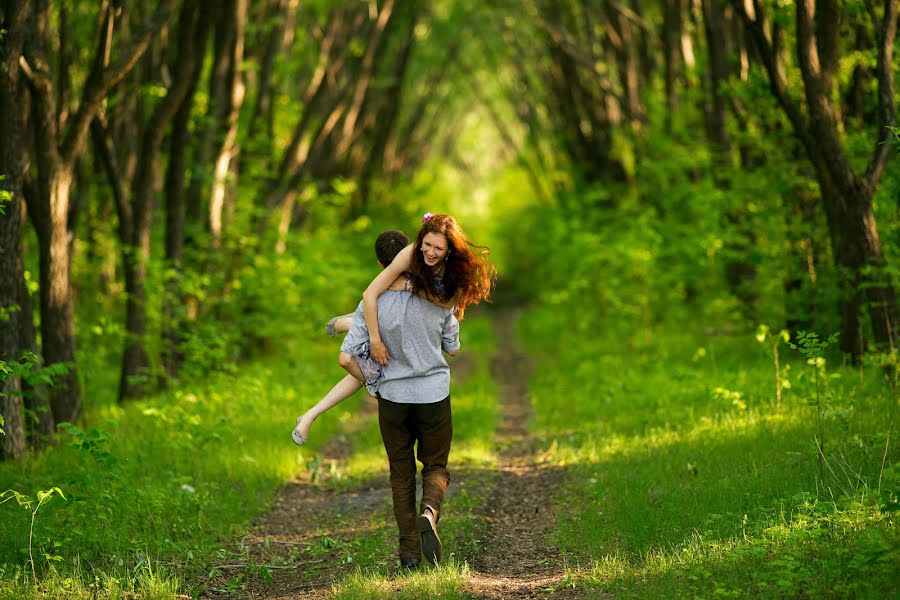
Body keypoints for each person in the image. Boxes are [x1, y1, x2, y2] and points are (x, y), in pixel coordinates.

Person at [355, 213, 495, 568]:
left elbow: (350, 345)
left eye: (437, 248)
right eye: (428, 247)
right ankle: (430, 512)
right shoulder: (441, 296)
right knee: (435, 466)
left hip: (394, 398)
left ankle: (409, 556)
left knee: (400, 474)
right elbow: (452, 347)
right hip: (432, 394)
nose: (431, 252)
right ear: (414, 248)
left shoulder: (377, 302)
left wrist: (372, 343)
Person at [291, 230, 409, 446]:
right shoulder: (420, 285)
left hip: (383, 344)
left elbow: (346, 360)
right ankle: (310, 415)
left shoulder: (374, 292)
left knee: (364, 372)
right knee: (370, 369)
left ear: (379, 263)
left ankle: (310, 415)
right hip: (396, 354)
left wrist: (372, 383)